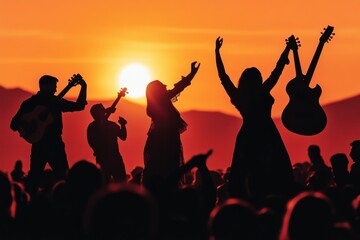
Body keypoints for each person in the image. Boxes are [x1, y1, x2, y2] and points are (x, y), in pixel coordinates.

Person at [215, 36, 294, 200]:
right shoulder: (262, 91)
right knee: (275, 173)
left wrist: (217, 52)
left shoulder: (239, 95)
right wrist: (287, 49)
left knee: (248, 173)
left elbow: (224, 77)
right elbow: (277, 71)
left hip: (250, 135)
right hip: (267, 134)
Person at [10, 74, 87, 195]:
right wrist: (28, 125)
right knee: (38, 178)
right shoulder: (30, 103)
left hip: (54, 143)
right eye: (53, 87)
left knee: (61, 176)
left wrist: (83, 87)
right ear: (44, 86)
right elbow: (13, 124)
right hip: (41, 144)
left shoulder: (55, 102)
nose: (56, 89)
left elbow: (79, 106)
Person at [142, 61, 200, 188]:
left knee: (166, 166)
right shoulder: (161, 103)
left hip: (164, 138)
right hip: (166, 139)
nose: (165, 86)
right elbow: (179, 87)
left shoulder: (157, 104)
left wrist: (192, 74)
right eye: (162, 86)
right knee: (169, 166)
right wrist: (192, 74)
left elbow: (179, 87)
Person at [87, 103, 128, 183]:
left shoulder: (91, 127)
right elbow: (123, 137)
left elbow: (123, 137)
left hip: (104, 158)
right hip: (113, 158)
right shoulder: (110, 125)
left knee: (104, 184)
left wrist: (123, 125)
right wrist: (123, 125)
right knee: (120, 183)